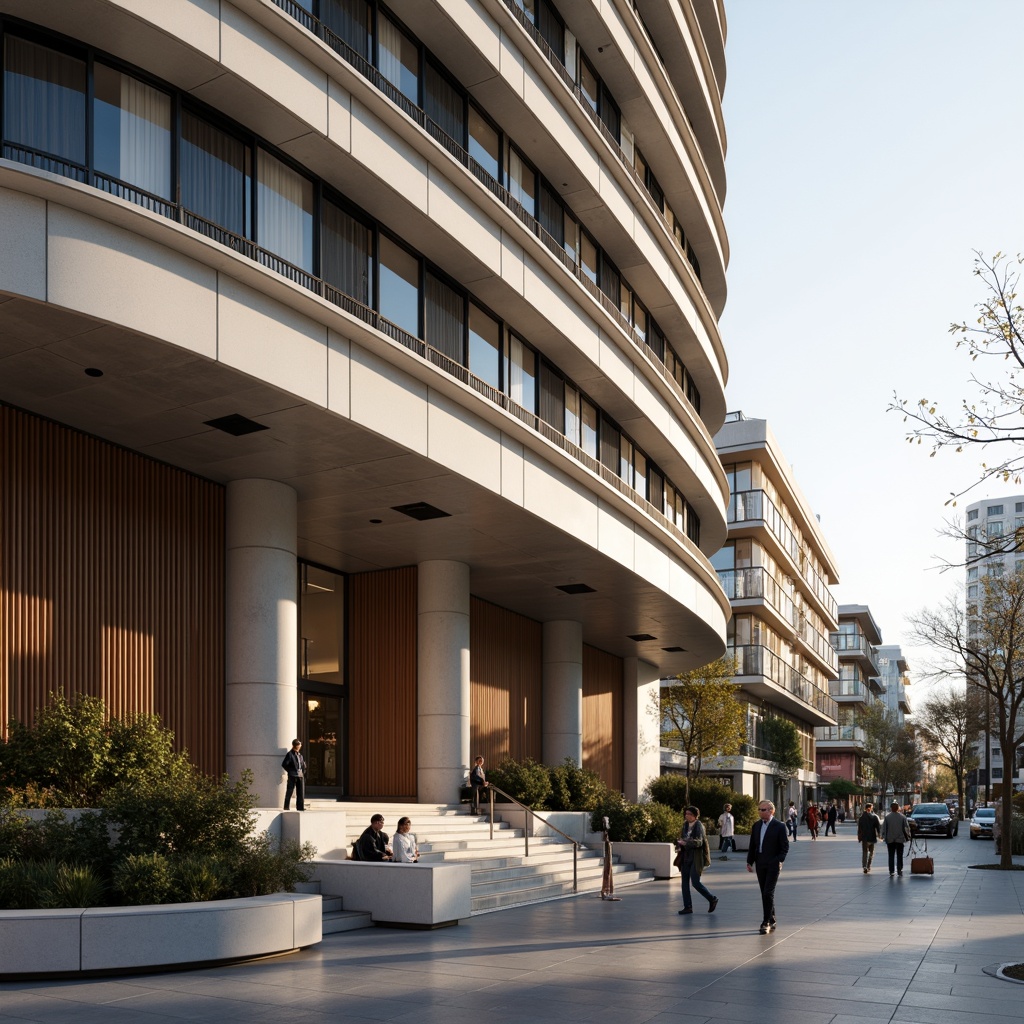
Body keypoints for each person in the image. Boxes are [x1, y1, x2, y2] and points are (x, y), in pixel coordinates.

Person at [747, 799, 789, 934]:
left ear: (771, 811)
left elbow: (785, 847)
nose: (760, 812)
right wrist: (750, 861)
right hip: (760, 863)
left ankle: (766, 922)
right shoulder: (756, 825)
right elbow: (753, 845)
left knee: (768, 892)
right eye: (759, 809)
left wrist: (778, 860)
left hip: (773, 864)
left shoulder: (780, 826)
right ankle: (772, 918)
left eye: (763, 810)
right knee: (765, 893)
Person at [676, 806, 718, 915]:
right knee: (684, 883)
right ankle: (687, 907)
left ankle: (712, 898)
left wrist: (686, 842)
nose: (687, 815)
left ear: (695, 815)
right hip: (685, 856)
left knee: (695, 882)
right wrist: (679, 843)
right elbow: (682, 838)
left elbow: (699, 842)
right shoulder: (685, 825)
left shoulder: (699, 825)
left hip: (695, 857)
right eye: (686, 813)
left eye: (689, 814)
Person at [881, 800, 911, 876]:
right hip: (900, 839)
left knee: (891, 855)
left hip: (890, 839)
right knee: (899, 855)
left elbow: (884, 828)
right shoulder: (902, 817)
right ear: (898, 808)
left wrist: (884, 837)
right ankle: (899, 870)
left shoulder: (887, 817)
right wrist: (908, 836)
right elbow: (907, 828)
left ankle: (891, 871)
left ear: (891, 808)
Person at [857, 802, 882, 873]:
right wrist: (879, 835)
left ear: (865, 808)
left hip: (865, 838)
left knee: (865, 852)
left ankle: (864, 866)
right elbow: (878, 827)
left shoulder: (861, 818)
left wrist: (859, 837)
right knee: (871, 853)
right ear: (871, 808)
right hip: (872, 837)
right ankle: (868, 866)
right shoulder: (874, 817)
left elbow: (859, 829)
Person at [281, 738, 305, 811]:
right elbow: (284, 764)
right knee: (290, 791)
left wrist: (304, 771)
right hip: (292, 775)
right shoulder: (290, 754)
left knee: (300, 792)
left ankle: (300, 807)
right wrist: (290, 771)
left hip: (300, 776)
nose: (300, 746)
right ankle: (286, 806)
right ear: (296, 745)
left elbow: (303, 764)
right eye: (299, 745)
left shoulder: (300, 755)